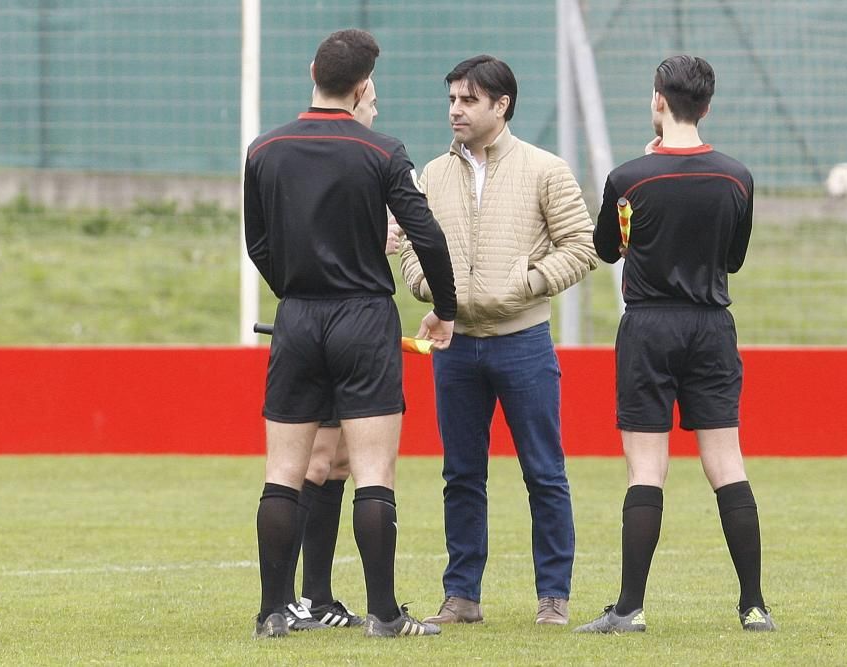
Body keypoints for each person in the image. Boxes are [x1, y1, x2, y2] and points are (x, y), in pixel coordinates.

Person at [243, 28, 456, 639]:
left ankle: (273, 612)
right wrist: (445, 308)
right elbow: (429, 235)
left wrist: (293, 286)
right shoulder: (383, 152)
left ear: (313, 70)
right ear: (363, 87)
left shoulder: (264, 149)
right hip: (363, 316)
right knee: (372, 470)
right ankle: (385, 615)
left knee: (284, 471)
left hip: (297, 316)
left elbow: (258, 242)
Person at [574, 55, 776, 634]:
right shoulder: (737, 177)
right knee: (727, 462)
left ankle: (629, 608)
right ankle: (753, 606)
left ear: (658, 100)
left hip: (649, 326)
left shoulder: (629, 178)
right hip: (712, 326)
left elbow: (608, 251)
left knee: (646, 467)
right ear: (707, 106)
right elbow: (733, 258)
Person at [400, 55, 598, 627]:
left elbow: (580, 247)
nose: (455, 110)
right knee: (461, 473)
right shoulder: (432, 174)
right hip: (455, 349)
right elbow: (414, 244)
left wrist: (528, 284)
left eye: (467, 100)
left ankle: (553, 596)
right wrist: (422, 282)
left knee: (544, 471)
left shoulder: (546, 170)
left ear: (500, 105)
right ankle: (461, 595)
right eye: (452, 100)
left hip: (524, 342)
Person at [283, 74, 405, 633]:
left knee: (333, 460)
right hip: (343, 324)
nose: (375, 112)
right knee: (317, 462)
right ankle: (295, 599)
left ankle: (316, 597)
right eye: (373, 101)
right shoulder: (356, 156)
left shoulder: (340, 159)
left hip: (320, 323)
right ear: (357, 95)